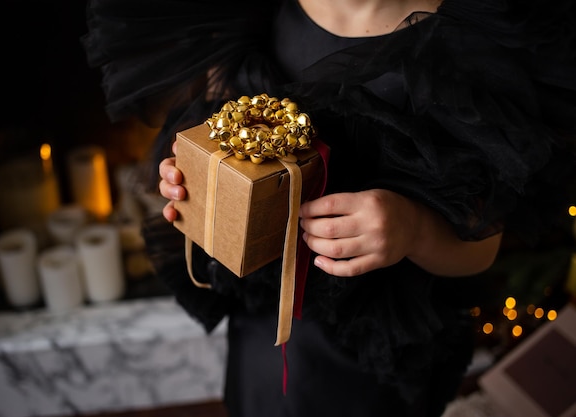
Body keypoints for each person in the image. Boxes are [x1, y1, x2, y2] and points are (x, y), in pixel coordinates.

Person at [83, 0, 576, 415]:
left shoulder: (470, 43)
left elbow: (481, 248)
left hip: (377, 344)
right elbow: (220, 128)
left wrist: (411, 229)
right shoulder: (258, 12)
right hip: (263, 318)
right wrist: (196, 178)